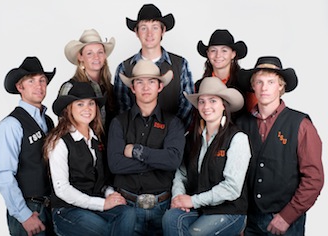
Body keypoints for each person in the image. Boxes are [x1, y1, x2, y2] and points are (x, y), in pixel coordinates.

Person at [236, 56, 324, 235]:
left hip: (285, 221)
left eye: (271, 81)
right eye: (259, 82)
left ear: (281, 86)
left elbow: (314, 179)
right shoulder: (240, 124)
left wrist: (287, 216)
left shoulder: (301, 124)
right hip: (248, 220)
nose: (264, 87)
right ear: (253, 86)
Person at [162, 77, 252, 236]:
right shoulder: (192, 138)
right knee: (170, 218)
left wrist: (192, 200)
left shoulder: (237, 138)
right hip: (201, 209)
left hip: (230, 211)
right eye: (202, 102)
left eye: (212, 101)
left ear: (223, 105)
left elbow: (232, 188)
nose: (206, 106)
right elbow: (181, 173)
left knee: (194, 233)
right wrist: (178, 197)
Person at [44, 81, 135, 236]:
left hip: (93, 206)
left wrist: (110, 194)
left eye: (91, 104)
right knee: (105, 229)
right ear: (69, 109)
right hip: (67, 210)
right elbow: (62, 189)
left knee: (128, 214)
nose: (87, 109)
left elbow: (102, 180)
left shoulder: (95, 139)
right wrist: (102, 204)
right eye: (80, 104)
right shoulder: (59, 142)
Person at [107, 59, 186, 235]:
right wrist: (159, 160)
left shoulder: (173, 123)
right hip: (127, 208)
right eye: (139, 82)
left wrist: (136, 151)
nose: (145, 87)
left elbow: (173, 161)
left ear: (160, 86)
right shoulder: (118, 123)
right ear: (132, 88)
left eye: (151, 81)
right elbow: (115, 164)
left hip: (162, 208)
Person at [0, 56, 56, 235]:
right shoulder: (11, 125)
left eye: (42, 80)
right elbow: (4, 175)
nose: (39, 86)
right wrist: (24, 215)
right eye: (31, 81)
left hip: (50, 206)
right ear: (20, 87)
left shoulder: (49, 121)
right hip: (28, 208)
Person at [113, 3, 194, 130]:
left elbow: (187, 105)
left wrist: (170, 133)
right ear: (136, 32)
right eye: (144, 28)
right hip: (135, 139)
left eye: (155, 27)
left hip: (173, 140)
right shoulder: (124, 68)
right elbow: (122, 109)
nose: (149, 33)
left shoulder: (181, 64)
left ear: (163, 30)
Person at [59, 28, 117, 140]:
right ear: (80, 57)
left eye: (100, 52)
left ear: (105, 55)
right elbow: (64, 125)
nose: (96, 57)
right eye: (89, 53)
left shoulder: (110, 88)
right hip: (83, 151)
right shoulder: (70, 87)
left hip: (108, 150)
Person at [195, 29, 256, 120]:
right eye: (213, 50)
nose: (218, 55)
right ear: (208, 54)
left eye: (224, 50)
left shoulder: (245, 82)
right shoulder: (200, 85)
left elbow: (254, 113)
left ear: (233, 54)